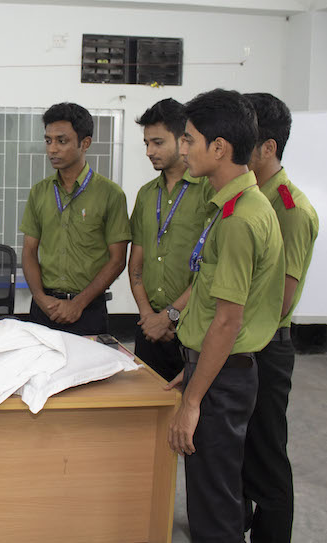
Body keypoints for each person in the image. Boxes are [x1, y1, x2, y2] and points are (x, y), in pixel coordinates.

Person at [163, 89, 284, 543]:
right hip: (216, 370)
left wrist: (193, 401)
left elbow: (228, 321)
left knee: (214, 507)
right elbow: (213, 304)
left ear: (219, 147)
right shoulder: (234, 205)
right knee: (218, 496)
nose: (182, 149)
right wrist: (192, 371)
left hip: (222, 380)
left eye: (189, 140)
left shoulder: (238, 219)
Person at [241, 92, 319, 542]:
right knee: (240, 453)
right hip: (242, 342)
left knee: (267, 456)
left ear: (267, 147)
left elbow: (281, 301)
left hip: (266, 347)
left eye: (243, 139)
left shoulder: (288, 208)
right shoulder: (246, 198)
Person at [20, 102, 131, 336]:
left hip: (88, 310)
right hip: (43, 308)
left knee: (90, 373)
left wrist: (78, 303)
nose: (52, 149)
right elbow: (29, 251)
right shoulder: (39, 192)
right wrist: (40, 298)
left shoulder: (110, 194)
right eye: (48, 140)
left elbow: (118, 260)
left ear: (85, 143)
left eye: (62, 141)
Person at [128, 98, 215, 381]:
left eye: (158, 142)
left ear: (183, 140)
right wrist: (148, 317)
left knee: (188, 415)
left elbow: (212, 268)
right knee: (145, 413)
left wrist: (169, 317)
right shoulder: (146, 194)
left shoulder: (208, 192)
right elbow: (136, 262)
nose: (149, 152)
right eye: (146, 144)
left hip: (190, 327)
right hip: (148, 328)